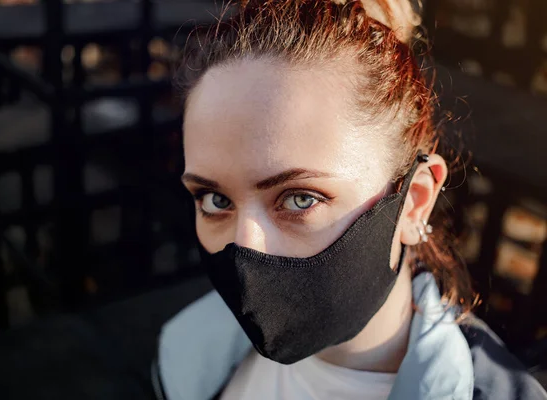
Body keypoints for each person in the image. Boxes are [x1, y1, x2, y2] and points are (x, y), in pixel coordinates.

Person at [151, 1, 547, 399]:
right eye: (216, 200)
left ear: (414, 201)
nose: (244, 246)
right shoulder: (186, 354)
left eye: (300, 199)